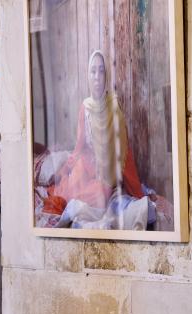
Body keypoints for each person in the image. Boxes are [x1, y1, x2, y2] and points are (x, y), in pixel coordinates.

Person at [42, 50, 154, 230]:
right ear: (88, 75)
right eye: (93, 71)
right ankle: (71, 193)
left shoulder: (114, 108)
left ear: (106, 75)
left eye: (101, 71)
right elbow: (79, 147)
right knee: (73, 182)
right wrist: (66, 169)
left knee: (99, 194)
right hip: (88, 165)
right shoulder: (85, 107)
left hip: (105, 173)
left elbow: (124, 154)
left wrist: (138, 192)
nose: (97, 77)